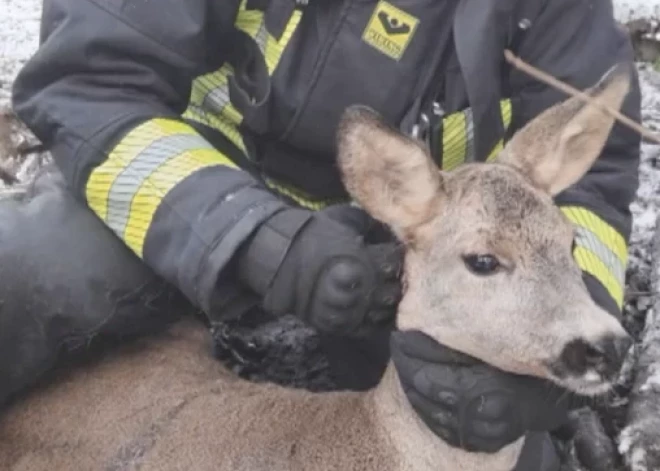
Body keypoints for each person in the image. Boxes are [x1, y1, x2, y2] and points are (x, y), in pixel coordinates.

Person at [3, 0, 641, 469]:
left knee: (488, 431)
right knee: (24, 282)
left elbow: (587, 188)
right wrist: (255, 236)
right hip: (191, 192)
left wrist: (565, 336)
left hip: (419, 250)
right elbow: (91, 79)